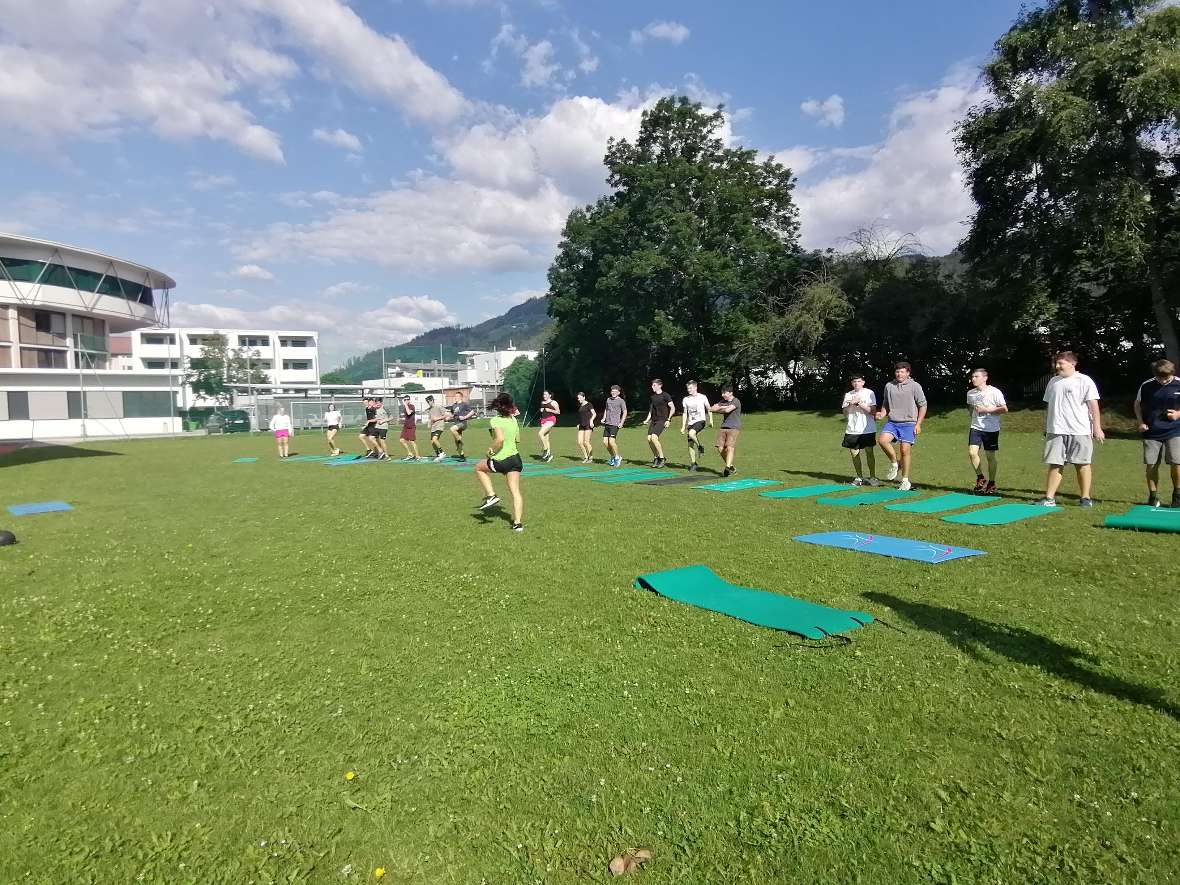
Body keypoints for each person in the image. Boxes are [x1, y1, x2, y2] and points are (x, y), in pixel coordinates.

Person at [1037, 351, 1103, 507]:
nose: (1057, 366)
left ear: (1073, 364)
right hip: (1056, 430)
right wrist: (1048, 425)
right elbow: (1050, 405)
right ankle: (1049, 498)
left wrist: (1097, 428)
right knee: (1055, 464)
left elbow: (1094, 407)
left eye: (1061, 363)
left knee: (1082, 464)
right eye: (1057, 363)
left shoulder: (1084, 380)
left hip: (1079, 430)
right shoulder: (1053, 381)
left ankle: (1085, 498)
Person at [474, 391, 524, 533]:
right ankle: (518, 523)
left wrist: (491, 450)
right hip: (516, 459)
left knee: (478, 467)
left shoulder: (495, 420)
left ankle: (491, 495)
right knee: (515, 492)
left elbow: (500, 439)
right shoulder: (513, 419)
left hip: (502, 459)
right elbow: (518, 439)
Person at [1133, 358, 1180, 508]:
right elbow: (1137, 405)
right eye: (1161, 377)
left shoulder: (1179, 383)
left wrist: (1178, 415)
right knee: (1151, 465)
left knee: (1177, 463)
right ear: (1155, 374)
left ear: (1172, 373)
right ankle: (1153, 497)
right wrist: (1140, 422)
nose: (1164, 381)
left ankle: (1177, 497)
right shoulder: (1147, 385)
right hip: (1152, 431)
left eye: (1167, 378)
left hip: (1175, 429)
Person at [876, 361, 927, 491]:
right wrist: (882, 413)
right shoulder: (889, 386)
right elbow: (885, 403)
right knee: (882, 440)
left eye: (902, 371)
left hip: (909, 423)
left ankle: (905, 480)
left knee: (905, 450)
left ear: (908, 373)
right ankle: (895, 463)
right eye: (897, 371)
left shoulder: (915, 386)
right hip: (893, 422)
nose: (899, 374)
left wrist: (918, 424)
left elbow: (923, 405)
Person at [966, 368, 1008, 495]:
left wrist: (986, 410)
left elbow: (1004, 409)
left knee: (990, 457)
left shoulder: (995, 392)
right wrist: (973, 416)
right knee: (972, 452)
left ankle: (992, 483)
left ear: (985, 378)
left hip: (991, 429)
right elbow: (970, 407)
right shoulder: (971, 393)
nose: (973, 379)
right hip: (976, 428)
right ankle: (980, 477)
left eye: (976, 376)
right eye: (973, 376)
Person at [841, 375, 879, 486]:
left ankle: (873, 477)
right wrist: (850, 404)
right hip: (852, 429)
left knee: (869, 453)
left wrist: (859, 403)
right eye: (854, 382)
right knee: (854, 454)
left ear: (863, 382)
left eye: (859, 381)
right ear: (852, 383)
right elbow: (844, 413)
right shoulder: (848, 395)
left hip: (867, 428)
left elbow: (872, 411)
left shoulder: (869, 393)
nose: (856, 383)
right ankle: (859, 478)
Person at [643, 379, 676, 468]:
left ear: (659, 385)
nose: (652, 387)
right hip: (654, 420)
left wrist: (669, 419)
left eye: (654, 385)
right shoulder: (653, 397)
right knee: (649, 439)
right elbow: (651, 410)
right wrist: (647, 420)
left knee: (654, 438)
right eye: (652, 385)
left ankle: (662, 458)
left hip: (662, 420)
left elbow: (672, 408)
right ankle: (656, 457)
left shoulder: (665, 395)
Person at [680, 380, 712, 472]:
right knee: (690, 444)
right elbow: (685, 413)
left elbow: (709, 408)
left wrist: (711, 420)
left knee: (691, 433)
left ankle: (699, 446)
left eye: (690, 388)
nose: (688, 390)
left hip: (700, 421)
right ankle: (694, 463)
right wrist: (683, 426)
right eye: (687, 388)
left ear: (695, 387)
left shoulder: (702, 397)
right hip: (690, 423)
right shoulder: (686, 399)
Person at [710, 386, 741, 477]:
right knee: (720, 448)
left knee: (729, 447)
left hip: (734, 427)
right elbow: (712, 408)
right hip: (724, 426)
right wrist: (722, 406)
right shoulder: (723, 401)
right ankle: (731, 466)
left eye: (724, 393)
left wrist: (720, 408)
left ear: (730, 393)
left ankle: (727, 467)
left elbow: (727, 410)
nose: (722, 395)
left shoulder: (736, 401)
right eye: (722, 393)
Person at [602, 384, 628, 467]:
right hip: (607, 423)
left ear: (618, 392)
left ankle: (618, 457)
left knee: (611, 442)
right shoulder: (608, 399)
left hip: (615, 424)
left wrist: (621, 422)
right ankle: (613, 456)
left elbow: (625, 412)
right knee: (605, 442)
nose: (613, 393)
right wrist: (604, 418)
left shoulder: (621, 401)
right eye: (612, 391)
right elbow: (606, 409)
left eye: (615, 391)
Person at [448, 393, 476, 461]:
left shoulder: (464, 404)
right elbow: (452, 414)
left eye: (457, 396)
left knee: (452, 429)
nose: (456, 397)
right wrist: (448, 417)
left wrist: (465, 417)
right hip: (456, 423)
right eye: (455, 396)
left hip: (462, 423)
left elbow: (472, 412)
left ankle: (460, 441)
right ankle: (462, 456)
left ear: (461, 397)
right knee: (456, 442)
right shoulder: (454, 405)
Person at [537, 390, 560, 462]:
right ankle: (549, 455)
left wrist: (550, 410)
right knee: (546, 438)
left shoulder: (554, 402)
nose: (544, 396)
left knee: (540, 433)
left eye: (546, 394)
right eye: (544, 394)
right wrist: (541, 410)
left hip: (551, 420)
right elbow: (542, 410)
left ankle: (545, 449)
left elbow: (558, 412)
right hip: (543, 420)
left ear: (550, 395)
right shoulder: (542, 402)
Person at [426, 395, 450, 462]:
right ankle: (438, 455)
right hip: (433, 427)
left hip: (439, 426)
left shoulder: (438, 407)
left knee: (435, 439)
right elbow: (430, 418)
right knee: (432, 442)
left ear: (432, 400)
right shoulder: (430, 409)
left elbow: (446, 415)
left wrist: (437, 418)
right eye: (427, 402)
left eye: (429, 401)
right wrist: (429, 424)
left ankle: (442, 453)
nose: (428, 403)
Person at [575, 391, 596, 463]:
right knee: (580, 442)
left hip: (588, 425)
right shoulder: (580, 405)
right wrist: (578, 423)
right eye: (578, 398)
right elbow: (581, 416)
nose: (579, 399)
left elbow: (594, 414)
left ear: (584, 397)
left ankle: (591, 457)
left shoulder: (589, 404)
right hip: (581, 425)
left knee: (586, 442)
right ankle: (586, 457)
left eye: (580, 398)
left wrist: (591, 421)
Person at [398, 395, 421, 461]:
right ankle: (410, 453)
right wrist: (401, 419)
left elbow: (408, 413)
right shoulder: (405, 407)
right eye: (405, 400)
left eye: (407, 399)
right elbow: (406, 416)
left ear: (409, 400)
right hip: (405, 426)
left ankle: (417, 456)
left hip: (411, 426)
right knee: (401, 440)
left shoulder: (412, 406)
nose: (406, 401)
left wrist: (405, 405)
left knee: (412, 441)